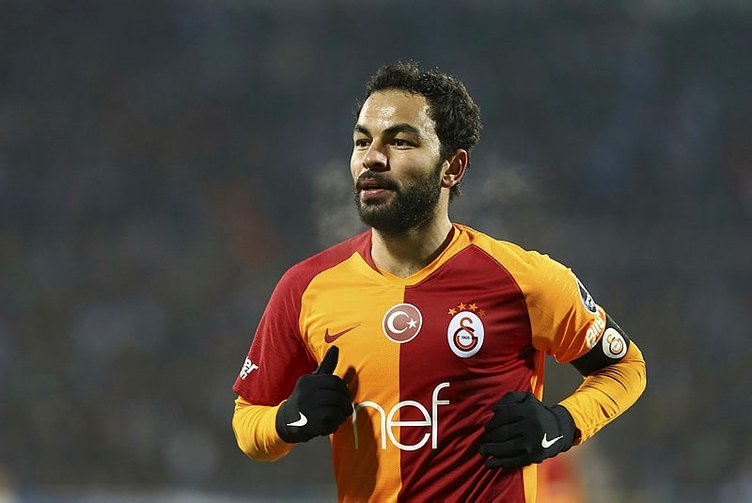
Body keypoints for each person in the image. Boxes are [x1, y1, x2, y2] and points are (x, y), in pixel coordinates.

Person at [231, 61, 647, 502]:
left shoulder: (523, 279)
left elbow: (625, 367)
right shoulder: (304, 287)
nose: (372, 157)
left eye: (400, 141)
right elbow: (247, 421)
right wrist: (286, 421)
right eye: (362, 141)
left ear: (452, 167)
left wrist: (562, 424)